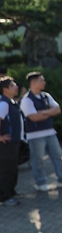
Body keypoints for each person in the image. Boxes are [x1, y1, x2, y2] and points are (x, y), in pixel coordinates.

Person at [21, 72, 62, 191]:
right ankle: (40, 183)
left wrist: (43, 112)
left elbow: (57, 109)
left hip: (50, 132)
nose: (44, 82)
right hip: (35, 135)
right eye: (41, 80)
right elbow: (34, 117)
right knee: (38, 160)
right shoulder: (26, 100)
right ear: (33, 83)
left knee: (58, 156)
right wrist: (49, 112)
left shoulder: (46, 96)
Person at [0, 77, 23, 206]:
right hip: (5, 144)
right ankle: (4, 197)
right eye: (13, 85)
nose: (16, 87)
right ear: (5, 89)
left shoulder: (11, 102)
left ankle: (11, 191)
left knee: (12, 168)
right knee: (6, 169)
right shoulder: (3, 104)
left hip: (13, 141)